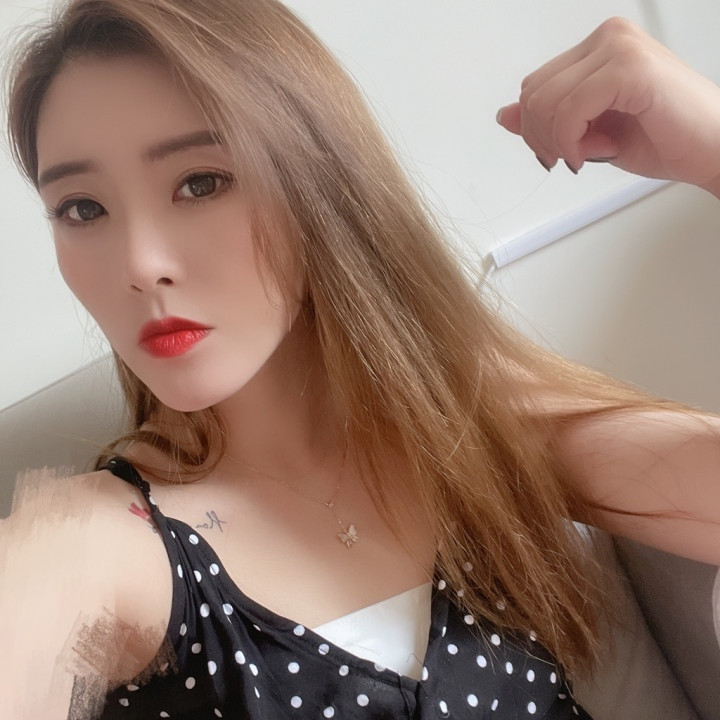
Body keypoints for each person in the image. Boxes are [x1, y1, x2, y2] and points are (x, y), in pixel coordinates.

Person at [1, 2, 719, 717]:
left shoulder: (471, 427)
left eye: (201, 182)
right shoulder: (97, 544)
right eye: (82, 209)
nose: (139, 264)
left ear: (319, 181)